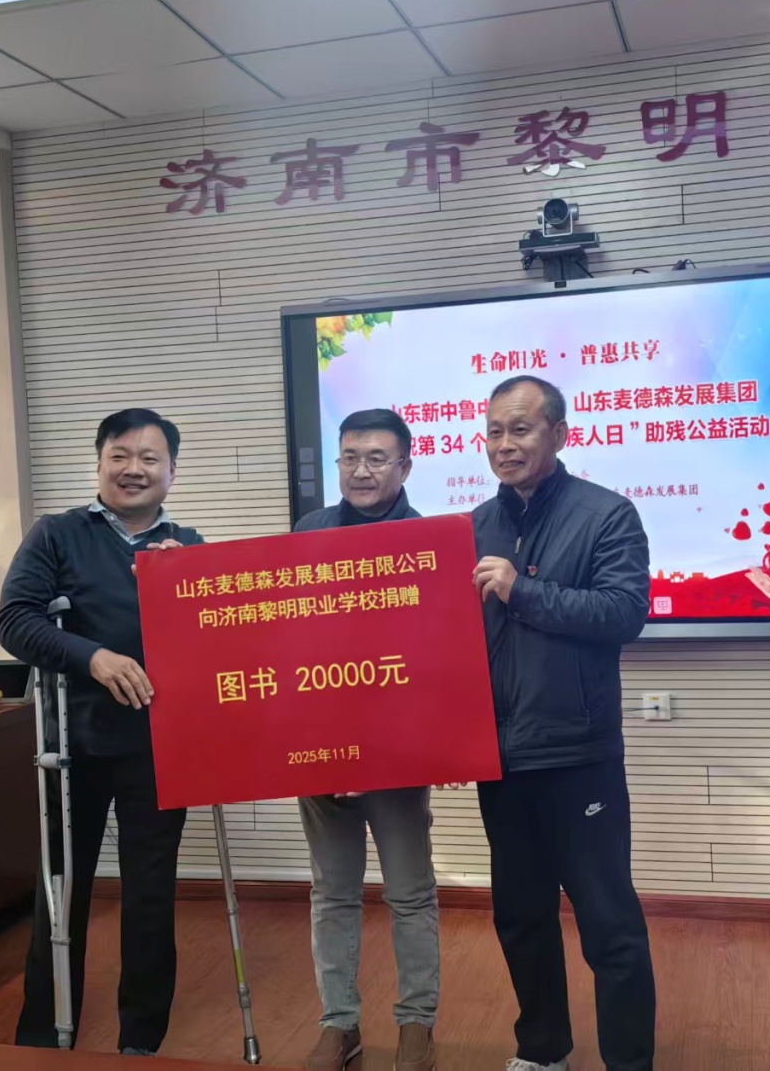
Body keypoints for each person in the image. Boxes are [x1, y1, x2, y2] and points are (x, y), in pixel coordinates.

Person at [0, 408, 203, 1055]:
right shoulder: (58, 534)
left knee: (150, 897)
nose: (133, 468)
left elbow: (213, 642)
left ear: (171, 471)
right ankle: (44, 1036)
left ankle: (141, 1042)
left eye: (149, 458)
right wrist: (93, 658)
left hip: (157, 748)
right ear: (99, 463)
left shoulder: (188, 543)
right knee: (60, 895)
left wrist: (189, 586)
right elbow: (16, 620)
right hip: (73, 747)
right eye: (120, 455)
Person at [469, 376, 656, 1071]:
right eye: (493, 431)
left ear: (559, 433)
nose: (504, 444)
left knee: (608, 922)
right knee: (520, 916)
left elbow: (622, 612)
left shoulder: (607, 514)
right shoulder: (473, 527)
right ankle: (543, 1050)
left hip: (579, 755)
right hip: (501, 757)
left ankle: (628, 1062)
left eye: (519, 429)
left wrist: (522, 590)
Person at [293, 408, 440, 1071]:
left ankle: (416, 1027)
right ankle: (339, 1025)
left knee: (409, 892)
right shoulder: (309, 532)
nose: (360, 470)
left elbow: (435, 657)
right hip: (319, 748)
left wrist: (406, 745)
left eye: (376, 458)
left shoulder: (429, 541)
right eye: (349, 456)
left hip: (397, 751)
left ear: (404, 466)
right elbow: (288, 640)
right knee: (332, 892)